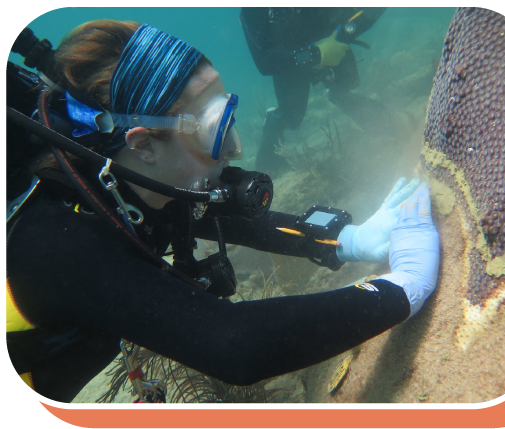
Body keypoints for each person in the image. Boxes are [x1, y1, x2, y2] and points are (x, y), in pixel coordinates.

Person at [6, 20, 440, 403]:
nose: (236, 148)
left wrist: (345, 239)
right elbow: (236, 344)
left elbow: (221, 217)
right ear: (143, 146)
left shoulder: (127, 182)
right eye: (215, 130)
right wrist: (402, 288)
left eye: (229, 117)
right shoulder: (58, 240)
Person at [240, 7, 393, 174]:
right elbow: (264, 62)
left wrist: (346, 32)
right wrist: (317, 54)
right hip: (290, 61)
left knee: (347, 85)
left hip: (331, 38)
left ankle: (382, 127)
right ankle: (274, 123)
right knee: (292, 118)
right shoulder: (253, 9)